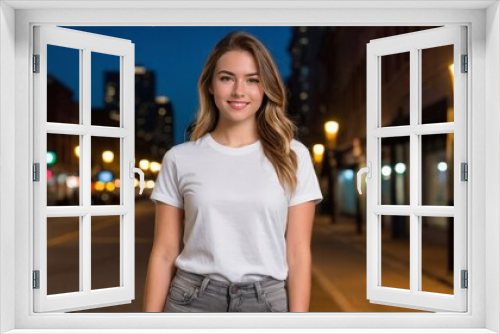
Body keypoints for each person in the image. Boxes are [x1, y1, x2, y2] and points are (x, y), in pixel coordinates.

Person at [143, 31, 323, 313]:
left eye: (252, 80)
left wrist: (297, 325)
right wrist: (147, 326)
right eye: (227, 78)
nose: (239, 91)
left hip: (267, 304)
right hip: (192, 302)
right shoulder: (179, 159)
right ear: (211, 85)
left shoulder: (293, 156)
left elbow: (299, 254)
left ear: (266, 88)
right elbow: (164, 253)